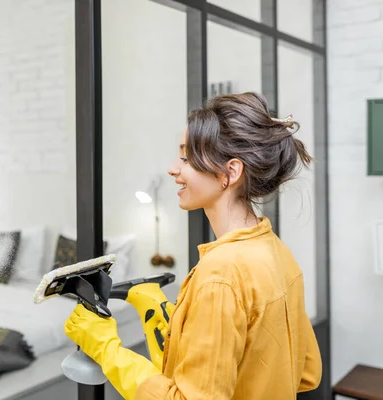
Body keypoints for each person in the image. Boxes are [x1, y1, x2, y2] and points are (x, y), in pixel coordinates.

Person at [63, 92, 322, 400]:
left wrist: (106, 347)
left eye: (186, 157)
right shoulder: (277, 251)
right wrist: (175, 324)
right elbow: (306, 372)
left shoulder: (220, 275)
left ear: (231, 172)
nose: (173, 168)